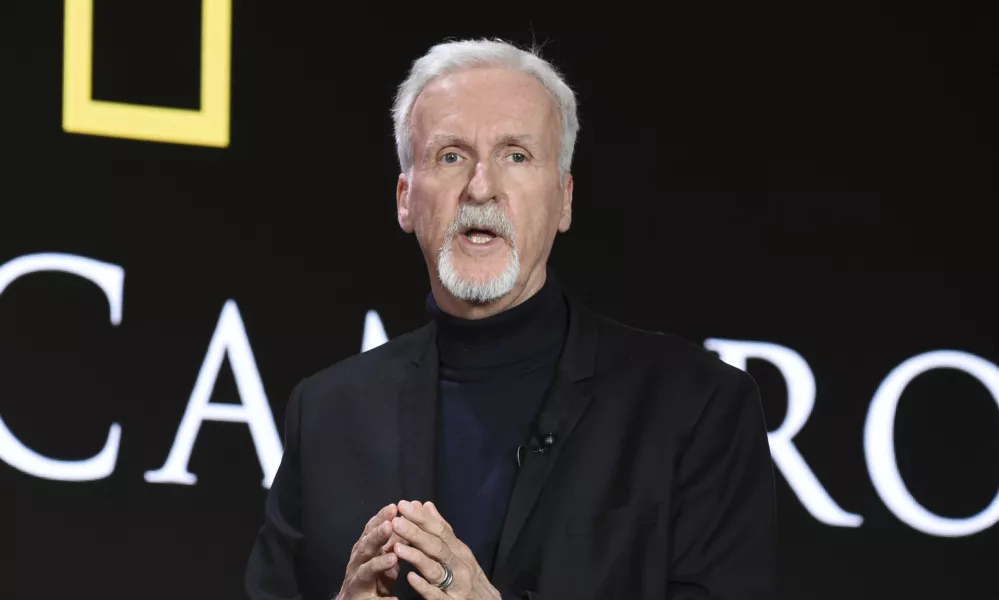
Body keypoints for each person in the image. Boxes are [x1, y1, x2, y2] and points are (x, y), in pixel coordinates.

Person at [244, 38, 777, 600]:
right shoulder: (328, 414)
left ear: (564, 199)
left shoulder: (695, 407)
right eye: (451, 155)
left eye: (515, 155)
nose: (481, 187)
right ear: (405, 198)